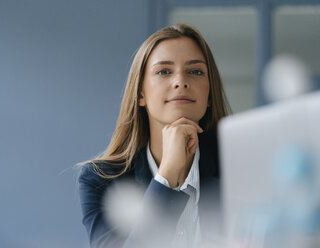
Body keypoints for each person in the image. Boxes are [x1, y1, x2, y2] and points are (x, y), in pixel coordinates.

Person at [77, 24, 231, 248]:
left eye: (195, 71)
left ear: (209, 95)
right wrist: (166, 177)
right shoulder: (100, 180)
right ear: (141, 94)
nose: (180, 81)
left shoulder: (238, 167)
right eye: (164, 72)